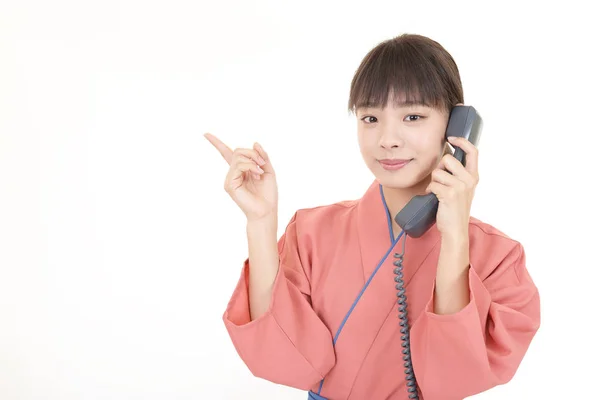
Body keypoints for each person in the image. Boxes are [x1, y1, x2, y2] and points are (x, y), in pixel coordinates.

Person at [204, 33, 541, 400]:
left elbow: (452, 379)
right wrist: (261, 222)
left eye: (413, 116)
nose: (387, 139)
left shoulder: (500, 258)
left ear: (456, 126)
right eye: (370, 117)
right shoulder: (310, 232)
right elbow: (284, 358)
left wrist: (455, 236)